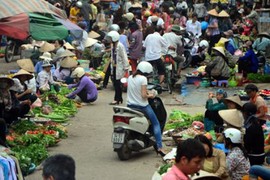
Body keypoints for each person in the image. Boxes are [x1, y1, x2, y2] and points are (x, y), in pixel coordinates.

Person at [127, 61, 165, 156]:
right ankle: (160, 147)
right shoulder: (143, 79)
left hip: (130, 105)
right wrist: (151, 95)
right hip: (142, 106)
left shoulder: (130, 77)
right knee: (156, 123)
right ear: (147, 72)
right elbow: (143, 95)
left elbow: (138, 91)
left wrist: (148, 92)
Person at [106, 31, 129, 105]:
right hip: (114, 66)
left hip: (120, 67)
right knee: (116, 83)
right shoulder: (113, 46)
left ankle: (117, 99)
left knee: (118, 84)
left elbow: (124, 57)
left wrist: (126, 68)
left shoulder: (120, 46)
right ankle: (119, 98)